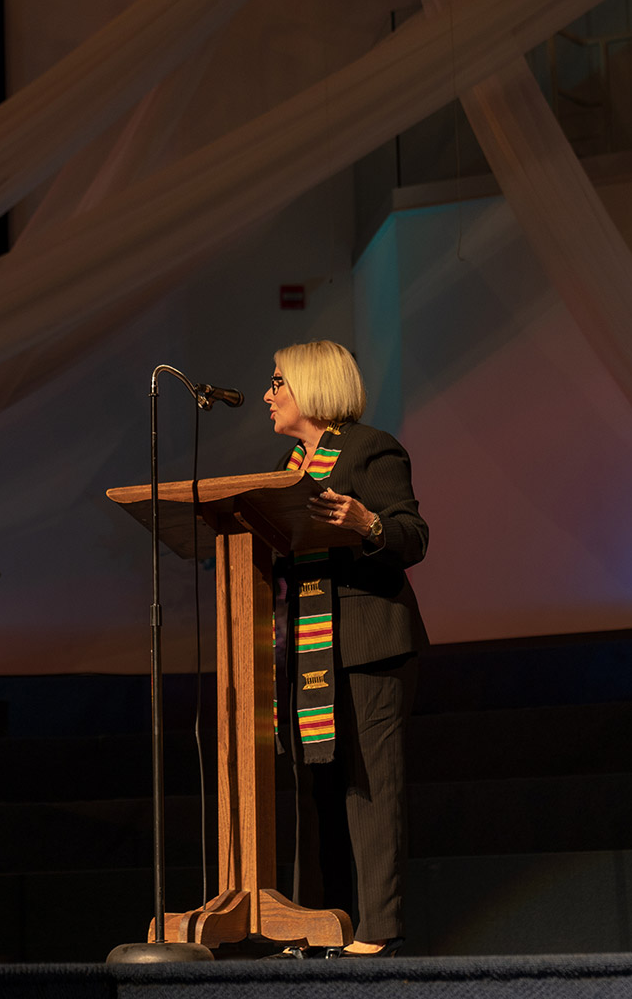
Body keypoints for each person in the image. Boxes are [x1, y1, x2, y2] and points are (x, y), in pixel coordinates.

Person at [265, 339, 428, 957]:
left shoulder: (369, 449)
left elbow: (412, 536)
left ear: (311, 384)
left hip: (367, 644)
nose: (267, 394)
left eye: (278, 381)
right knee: (318, 792)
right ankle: (320, 923)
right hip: (306, 652)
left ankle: (379, 928)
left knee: (369, 787)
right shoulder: (283, 468)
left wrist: (367, 523)